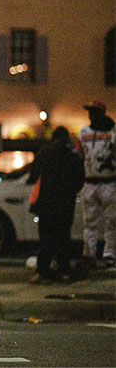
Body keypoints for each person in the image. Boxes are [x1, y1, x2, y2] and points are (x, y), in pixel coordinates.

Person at [27, 126, 85, 284]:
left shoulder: (45, 153)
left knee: (46, 238)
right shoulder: (74, 157)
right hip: (66, 203)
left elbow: (33, 175)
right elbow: (80, 181)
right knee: (64, 236)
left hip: (46, 202)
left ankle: (43, 271)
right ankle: (64, 270)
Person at [75, 99, 116, 268]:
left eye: (94, 112)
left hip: (109, 182)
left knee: (111, 221)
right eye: (90, 112)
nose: (91, 115)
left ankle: (109, 254)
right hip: (90, 182)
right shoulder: (83, 133)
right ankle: (89, 255)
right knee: (90, 222)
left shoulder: (113, 132)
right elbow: (79, 157)